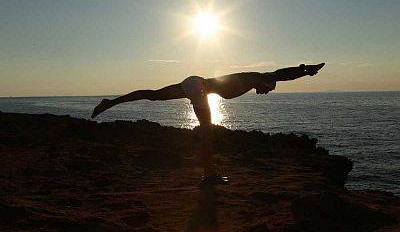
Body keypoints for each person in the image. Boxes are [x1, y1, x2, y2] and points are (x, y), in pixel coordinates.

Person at [91, 63, 325, 184]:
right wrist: (304, 71)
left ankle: (111, 102)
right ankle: (208, 175)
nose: (265, 93)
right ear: (266, 84)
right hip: (199, 87)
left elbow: (278, 73)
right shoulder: (256, 78)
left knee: (153, 94)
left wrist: (304, 70)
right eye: (267, 90)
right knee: (207, 135)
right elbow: (281, 74)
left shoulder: (252, 79)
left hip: (195, 81)